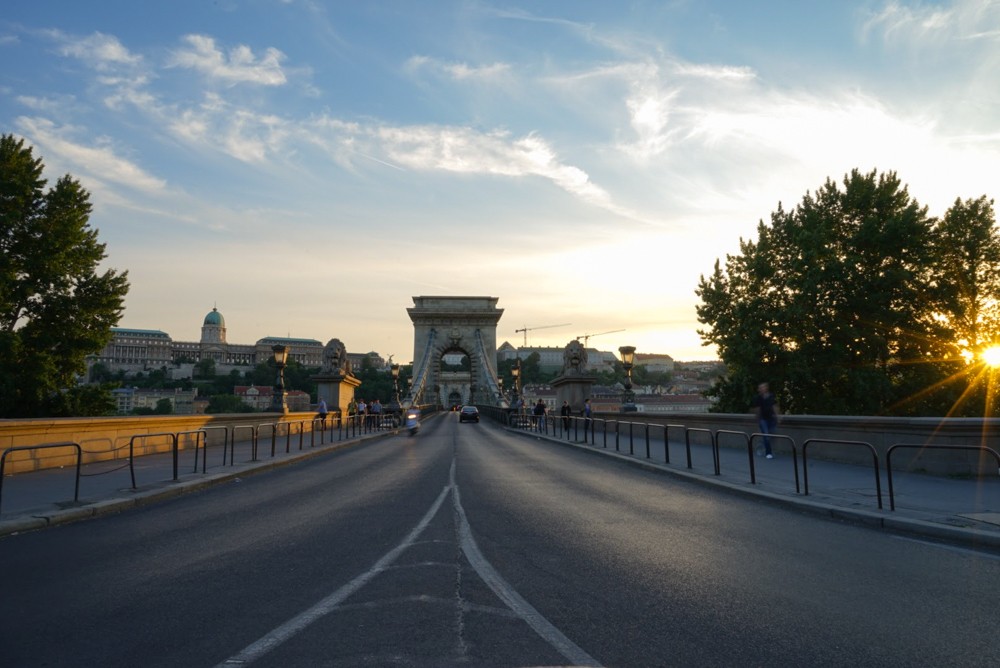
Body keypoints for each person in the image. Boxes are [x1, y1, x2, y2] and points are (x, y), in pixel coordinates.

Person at [753, 382, 780, 458]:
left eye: (763, 387)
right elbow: (757, 409)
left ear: (766, 388)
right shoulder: (758, 398)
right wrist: (758, 419)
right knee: (766, 435)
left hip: (771, 418)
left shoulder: (771, 396)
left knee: (772, 433)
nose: (761, 389)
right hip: (763, 419)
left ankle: (761, 444)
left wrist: (778, 417)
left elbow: (774, 406)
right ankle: (768, 453)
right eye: (760, 388)